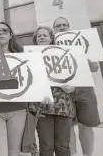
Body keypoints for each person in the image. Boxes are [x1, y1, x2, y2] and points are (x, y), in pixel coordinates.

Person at [53, 17, 100, 156]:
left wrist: (91, 61)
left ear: (69, 27)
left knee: (86, 126)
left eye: (64, 25)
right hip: (65, 91)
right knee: (68, 127)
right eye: (58, 26)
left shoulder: (82, 44)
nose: (62, 27)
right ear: (54, 30)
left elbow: (95, 67)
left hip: (85, 90)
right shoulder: (52, 48)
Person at [29, 26, 76, 156]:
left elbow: (75, 80)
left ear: (51, 39)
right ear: (35, 39)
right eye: (39, 36)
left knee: (63, 147)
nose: (42, 37)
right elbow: (27, 81)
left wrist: (70, 87)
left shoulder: (64, 55)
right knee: (46, 146)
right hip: (41, 105)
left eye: (45, 35)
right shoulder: (30, 56)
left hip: (63, 105)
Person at [0, 22, 27, 156]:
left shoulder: (23, 56)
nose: (1, 33)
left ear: (10, 35)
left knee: (14, 153)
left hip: (18, 109)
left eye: (4, 31)